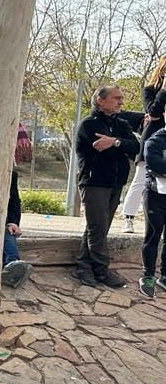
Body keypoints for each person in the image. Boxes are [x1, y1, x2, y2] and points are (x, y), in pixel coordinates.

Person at [72, 85, 140, 288]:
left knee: (99, 227)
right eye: (116, 98)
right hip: (95, 183)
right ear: (100, 100)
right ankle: (102, 270)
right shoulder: (89, 124)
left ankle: (84, 266)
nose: (121, 102)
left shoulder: (121, 124)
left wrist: (116, 142)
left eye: (122, 98)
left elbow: (136, 147)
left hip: (115, 183)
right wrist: (119, 145)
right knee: (98, 227)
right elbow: (104, 149)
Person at [121, 59, 166, 232]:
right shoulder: (149, 90)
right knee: (141, 178)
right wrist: (163, 91)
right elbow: (153, 112)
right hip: (154, 137)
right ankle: (129, 217)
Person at [139, 127, 166, 297]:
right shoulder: (155, 141)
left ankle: (164, 276)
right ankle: (147, 275)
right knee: (153, 235)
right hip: (155, 195)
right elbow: (154, 163)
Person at [1, 167, 33, 288]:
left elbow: (15, 201)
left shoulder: (11, 175)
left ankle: (13, 265)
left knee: (8, 231)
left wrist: (13, 222)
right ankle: (12, 266)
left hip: (1, 222)